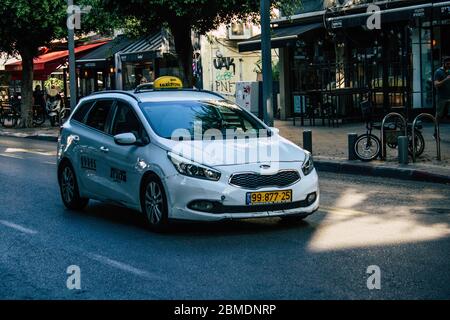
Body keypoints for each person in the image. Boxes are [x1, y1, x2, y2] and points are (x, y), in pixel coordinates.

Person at [434, 56, 450, 138]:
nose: (448, 65)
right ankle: (435, 132)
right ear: (443, 63)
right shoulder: (438, 72)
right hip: (441, 98)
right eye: (447, 64)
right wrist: (446, 79)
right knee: (439, 116)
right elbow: (436, 84)